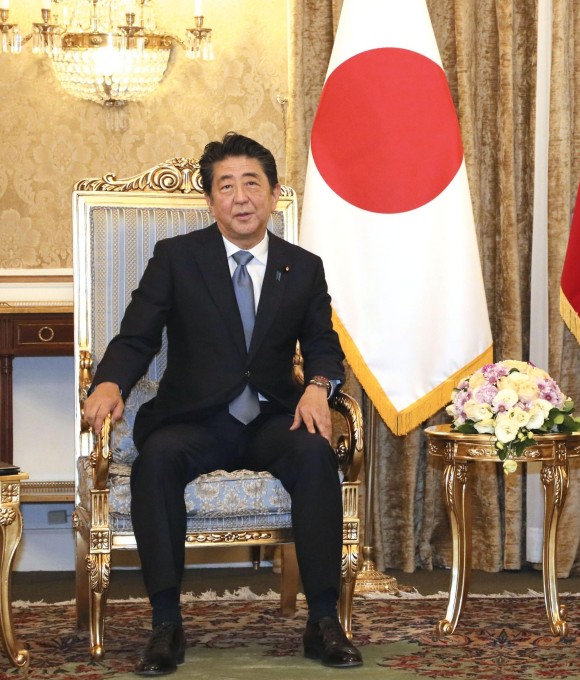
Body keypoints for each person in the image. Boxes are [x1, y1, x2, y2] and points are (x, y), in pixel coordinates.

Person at [81, 132, 361, 675]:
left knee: (314, 455)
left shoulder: (301, 267)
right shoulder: (177, 258)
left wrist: (318, 386)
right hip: (194, 419)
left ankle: (324, 621)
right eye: (225, 186)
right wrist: (112, 383)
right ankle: (166, 625)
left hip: (272, 418)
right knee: (155, 461)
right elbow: (137, 336)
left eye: (251, 183)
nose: (240, 197)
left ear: (273, 194)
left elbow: (324, 345)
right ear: (210, 200)